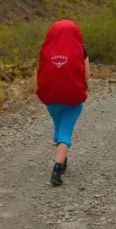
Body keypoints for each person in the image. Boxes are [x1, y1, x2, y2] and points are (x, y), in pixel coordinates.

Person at [36, 19, 90, 186]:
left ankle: (63, 159)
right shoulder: (81, 50)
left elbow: (41, 72)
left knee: (59, 128)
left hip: (52, 99)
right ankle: (57, 169)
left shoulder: (46, 49)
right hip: (73, 99)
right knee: (65, 132)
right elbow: (86, 75)